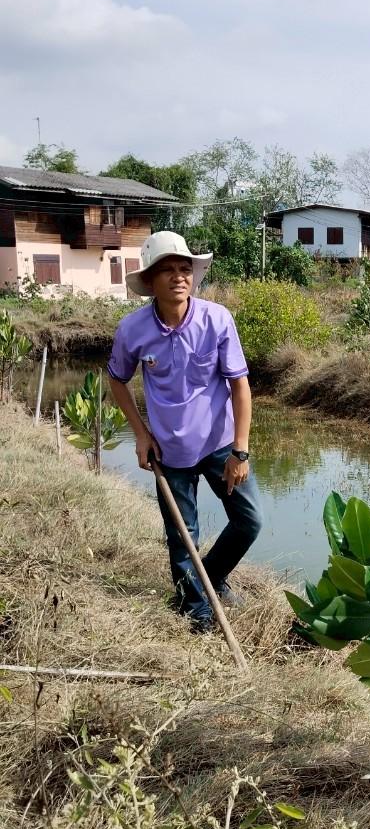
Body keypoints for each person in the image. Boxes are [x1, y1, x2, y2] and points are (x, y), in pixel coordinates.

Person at [108, 230, 262, 632]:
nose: (179, 276)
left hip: (219, 444)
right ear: (150, 282)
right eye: (168, 270)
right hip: (168, 450)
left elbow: (240, 386)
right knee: (182, 535)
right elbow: (117, 380)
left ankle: (205, 579)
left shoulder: (217, 319)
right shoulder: (132, 329)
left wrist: (240, 451)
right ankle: (196, 609)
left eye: (185, 268)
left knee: (249, 521)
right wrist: (141, 434)